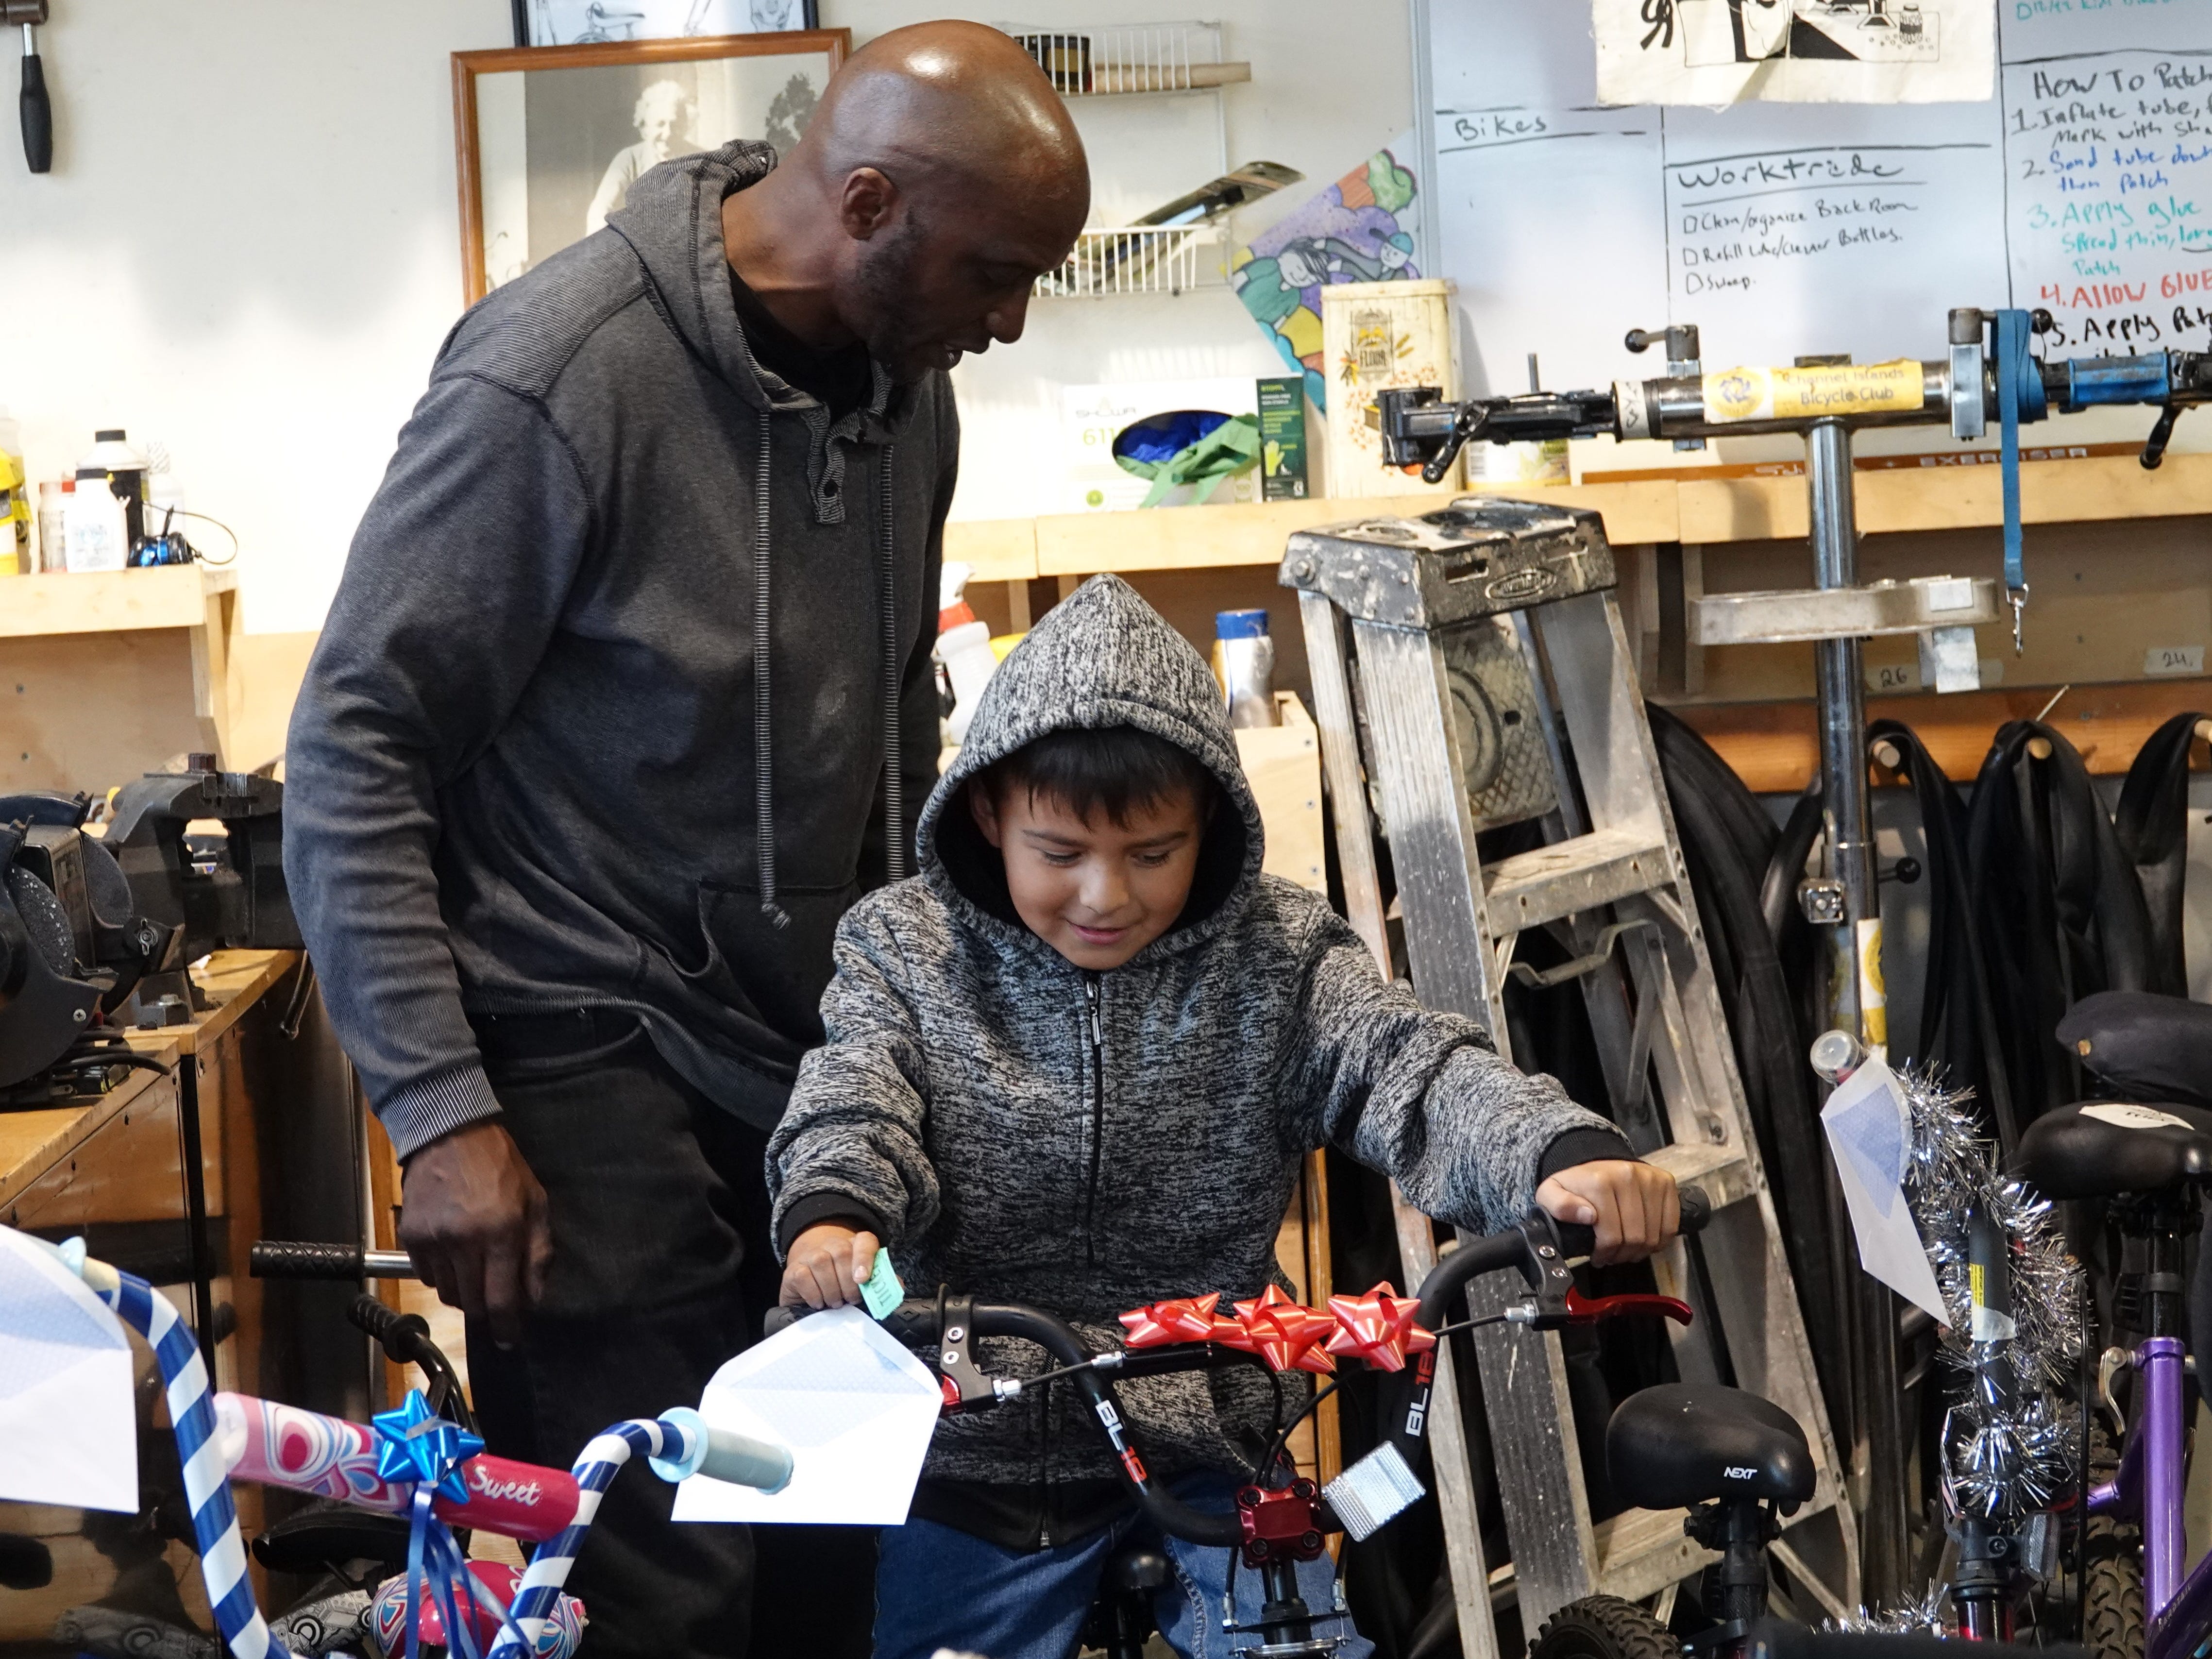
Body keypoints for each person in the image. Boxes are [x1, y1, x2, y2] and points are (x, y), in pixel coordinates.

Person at [283, 21, 1087, 1659]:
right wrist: (438, 1110)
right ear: (864, 202)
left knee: (820, 1547)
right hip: (574, 1042)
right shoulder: (559, 376)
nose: (1005, 323)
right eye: (993, 274)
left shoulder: (903, 392)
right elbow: (353, 742)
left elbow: (892, 743)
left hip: (795, 1067)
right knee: (656, 1579)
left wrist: (935, 1017)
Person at [768, 575, 1680, 1659]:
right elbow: (857, 1088)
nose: (1104, 895)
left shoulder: (1279, 953)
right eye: (1058, 853)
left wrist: (1556, 1149)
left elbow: (1411, 1066)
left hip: (1211, 1436)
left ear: (1207, 823)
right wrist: (834, 1207)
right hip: (981, 1450)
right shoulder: (905, 950)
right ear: (987, 812)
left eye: (1152, 852)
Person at [584, 78, 697, 234]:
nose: (668, 134)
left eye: (675, 124)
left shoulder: (701, 158)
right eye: (660, 124)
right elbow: (601, 210)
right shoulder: (628, 160)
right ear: (645, 129)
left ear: (685, 125)